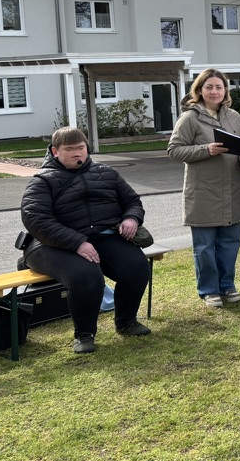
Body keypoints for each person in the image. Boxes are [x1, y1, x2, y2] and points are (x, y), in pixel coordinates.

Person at [19, 127, 151, 353]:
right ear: (55, 152)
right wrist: (77, 242)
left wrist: (131, 218)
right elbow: (36, 220)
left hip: (102, 237)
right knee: (86, 276)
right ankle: (84, 334)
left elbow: (132, 201)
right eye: (69, 149)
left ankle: (126, 322)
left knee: (137, 267)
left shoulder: (107, 172)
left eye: (80, 148)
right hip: (50, 244)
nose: (77, 154)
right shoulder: (42, 181)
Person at [167, 68, 240, 308]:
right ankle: (208, 290)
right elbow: (173, 150)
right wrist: (206, 150)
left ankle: (227, 286)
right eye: (209, 87)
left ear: (225, 90)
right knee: (204, 246)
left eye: (219, 87)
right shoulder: (189, 118)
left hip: (231, 190)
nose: (214, 91)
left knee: (230, 243)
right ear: (200, 90)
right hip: (203, 191)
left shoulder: (235, 117)